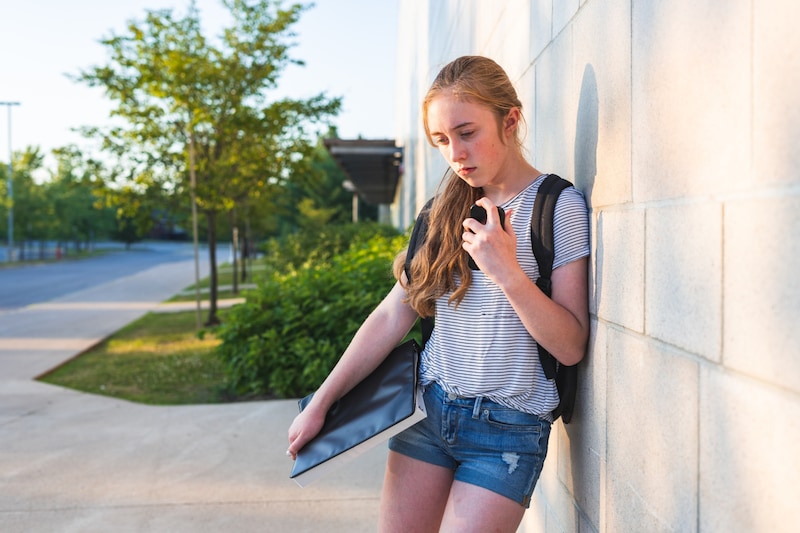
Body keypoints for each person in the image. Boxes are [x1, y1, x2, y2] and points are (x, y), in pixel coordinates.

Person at [287, 55, 590, 532]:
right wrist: (322, 403)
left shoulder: (557, 206)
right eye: (442, 140)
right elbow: (392, 315)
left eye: (467, 132)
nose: (456, 153)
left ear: (510, 120)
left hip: (507, 431)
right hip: (427, 414)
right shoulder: (441, 211)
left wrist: (507, 272)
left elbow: (570, 346)